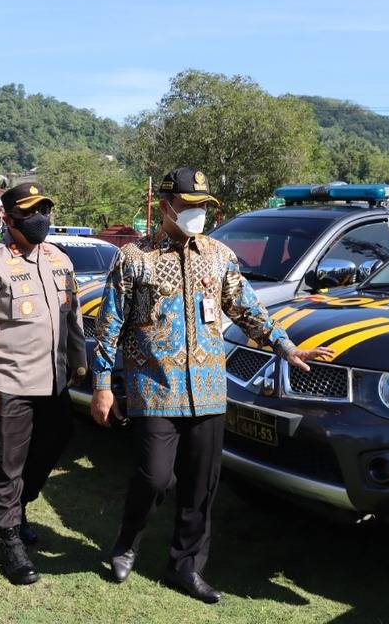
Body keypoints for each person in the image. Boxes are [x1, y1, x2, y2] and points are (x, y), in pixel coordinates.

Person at [89, 167, 333, 604]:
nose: (196, 213)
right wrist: (103, 384)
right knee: (155, 477)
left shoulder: (219, 256)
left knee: (201, 487)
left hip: (207, 390)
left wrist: (286, 346)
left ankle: (185, 566)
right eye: (188, 206)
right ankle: (128, 540)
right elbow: (109, 325)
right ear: (165, 207)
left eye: (203, 206)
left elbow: (245, 308)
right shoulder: (134, 258)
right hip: (154, 386)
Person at [0, 182, 86, 586]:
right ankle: (9, 538)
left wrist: (79, 362)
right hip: (7, 383)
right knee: (4, 463)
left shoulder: (59, 259)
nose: (40, 219)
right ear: (9, 219)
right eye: (30, 213)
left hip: (53, 382)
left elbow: (73, 315)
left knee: (53, 445)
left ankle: (18, 506)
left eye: (44, 210)